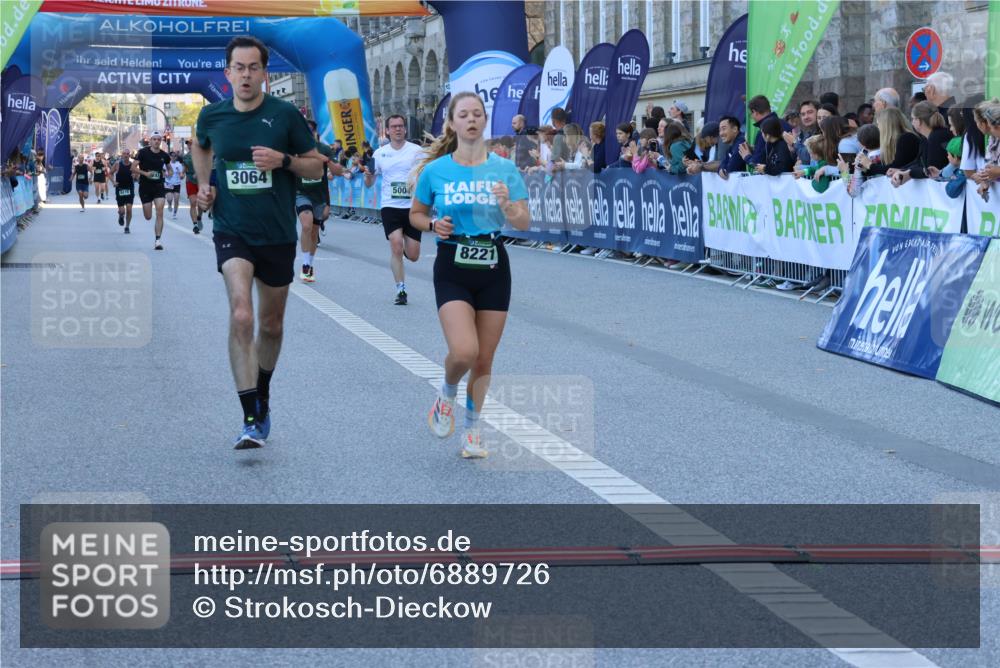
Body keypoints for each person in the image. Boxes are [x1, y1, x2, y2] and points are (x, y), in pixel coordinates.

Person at [191, 35, 324, 449]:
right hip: (232, 230)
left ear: (264, 73)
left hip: (277, 235)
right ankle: (250, 415)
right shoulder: (211, 116)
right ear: (227, 73)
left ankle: (262, 393)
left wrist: (283, 161)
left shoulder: (284, 115)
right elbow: (200, 146)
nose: (246, 75)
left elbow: (316, 168)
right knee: (243, 314)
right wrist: (203, 184)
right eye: (239, 68)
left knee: (271, 324)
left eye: (253, 68)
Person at [409, 91, 530, 458]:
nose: (472, 119)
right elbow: (415, 215)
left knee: (483, 360)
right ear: (452, 123)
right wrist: (432, 224)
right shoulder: (436, 170)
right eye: (464, 114)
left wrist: (508, 204)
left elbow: (524, 222)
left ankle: (473, 430)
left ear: (484, 120)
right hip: (453, 263)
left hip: (493, 262)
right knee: (463, 351)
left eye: (478, 114)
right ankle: (446, 394)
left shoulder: (504, 169)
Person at [363, 112, 424, 304]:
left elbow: (425, 175)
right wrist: (368, 175)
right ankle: (401, 290)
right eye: (394, 127)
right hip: (390, 206)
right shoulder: (380, 153)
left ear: (405, 129)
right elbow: (369, 183)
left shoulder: (416, 150)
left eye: (401, 126)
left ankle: (405, 251)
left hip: (412, 207)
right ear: (387, 131)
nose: (398, 129)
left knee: (413, 255)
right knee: (396, 245)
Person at [296, 119, 342, 283]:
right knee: (306, 225)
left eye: (310, 131)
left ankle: (310, 264)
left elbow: (338, 171)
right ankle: (304, 264)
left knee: (314, 231)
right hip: (301, 193)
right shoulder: (296, 149)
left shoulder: (324, 149)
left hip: (319, 195)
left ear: (315, 133)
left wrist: (327, 161)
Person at [890, 101, 952, 185]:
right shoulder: (925, 138)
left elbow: (931, 169)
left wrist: (909, 173)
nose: (912, 122)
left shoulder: (937, 136)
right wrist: (901, 170)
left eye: (912, 119)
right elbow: (918, 162)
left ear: (918, 121)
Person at [132, 131, 171, 250]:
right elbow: (133, 167)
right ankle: (148, 212)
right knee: (148, 216)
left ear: (161, 141)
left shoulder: (164, 155)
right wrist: (145, 173)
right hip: (145, 186)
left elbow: (170, 169)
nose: (156, 141)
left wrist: (170, 174)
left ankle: (158, 240)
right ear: (150, 141)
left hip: (159, 186)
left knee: (160, 212)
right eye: (154, 139)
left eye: (159, 139)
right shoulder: (142, 152)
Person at [740, 95, 792, 172]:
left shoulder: (764, 129)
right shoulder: (785, 124)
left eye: (751, 114)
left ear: (754, 112)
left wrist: (747, 157)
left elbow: (759, 162)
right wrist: (755, 150)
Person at [867, 108, 921, 175]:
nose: (878, 128)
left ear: (886, 125)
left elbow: (895, 168)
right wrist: (863, 168)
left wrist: (869, 165)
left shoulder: (907, 138)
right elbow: (885, 167)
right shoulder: (897, 140)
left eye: (879, 124)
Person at [112, 149, 136, 233]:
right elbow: (110, 173)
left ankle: (127, 226)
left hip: (130, 189)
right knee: (122, 211)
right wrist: (113, 181)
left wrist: (135, 175)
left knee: (129, 209)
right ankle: (121, 216)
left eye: (127, 154)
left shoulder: (133, 165)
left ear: (129, 155)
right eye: (124, 154)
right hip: (120, 189)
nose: (126, 155)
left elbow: (137, 175)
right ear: (121, 155)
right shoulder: (117, 164)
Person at [182, 144, 204, 233]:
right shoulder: (186, 157)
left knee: (201, 203)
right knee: (193, 202)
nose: (190, 146)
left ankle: (199, 217)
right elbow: (185, 167)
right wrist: (182, 173)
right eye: (189, 144)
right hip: (190, 180)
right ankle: (195, 225)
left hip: (200, 180)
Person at [164, 152, 184, 219]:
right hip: (168, 183)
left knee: (176, 199)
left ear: (176, 157)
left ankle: (174, 214)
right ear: (170, 157)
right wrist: (165, 175)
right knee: (169, 199)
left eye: (175, 156)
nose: (173, 157)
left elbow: (182, 175)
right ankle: (169, 205)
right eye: (172, 156)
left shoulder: (179, 165)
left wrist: (181, 175)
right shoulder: (166, 164)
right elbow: (162, 171)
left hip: (177, 184)